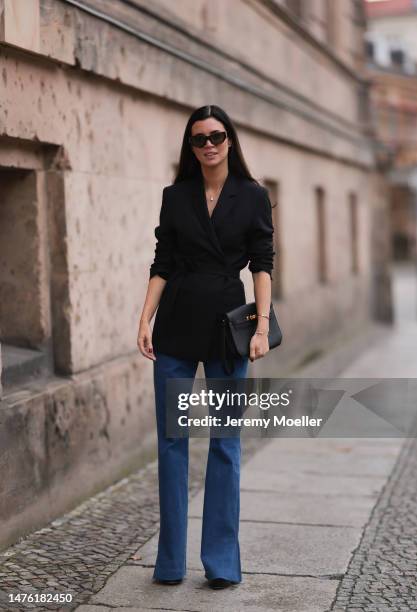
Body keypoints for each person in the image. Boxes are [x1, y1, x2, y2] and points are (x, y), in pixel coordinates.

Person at [137, 104, 274, 590]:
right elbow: (163, 260)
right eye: (199, 138)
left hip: (228, 329)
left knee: (225, 445)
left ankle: (220, 563)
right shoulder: (175, 197)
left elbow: (262, 263)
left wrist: (260, 327)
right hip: (175, 325)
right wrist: (145, 316)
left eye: (217, 136)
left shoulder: (254, 196)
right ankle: (170, 563)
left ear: (230, 141)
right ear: (190, 147)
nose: (209, 144)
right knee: (172, 443)